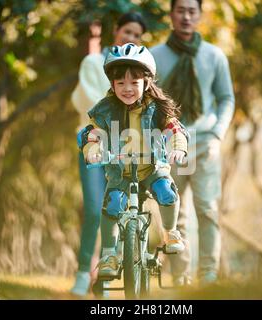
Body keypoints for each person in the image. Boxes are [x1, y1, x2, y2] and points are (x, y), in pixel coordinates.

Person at [80, 43, 188, 277]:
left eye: (134, 83)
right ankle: (109, 254)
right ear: (112, 84)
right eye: (120, 83)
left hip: (151, 167)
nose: (127, 89)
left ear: (146, 82)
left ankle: (170, 232)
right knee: (112, 203)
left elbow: (175, 129)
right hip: (120, 171)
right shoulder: (105, 109)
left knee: (167, 190)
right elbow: (92, 131)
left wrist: (177, 147)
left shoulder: (157, 108)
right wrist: (92, 148)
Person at [151, 0, 235, 286]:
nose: (186, 17)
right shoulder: (154, 56)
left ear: (199, 15)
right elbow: (150, 102)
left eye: (192, 11)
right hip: (170, 145)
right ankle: (181, 276)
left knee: (208, 209)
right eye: (180, 10)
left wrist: (217, 135)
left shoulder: (214, 56)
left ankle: (209, 275)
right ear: (172, 14)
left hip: (204, 145)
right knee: (175, 212)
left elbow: (226, 99)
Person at [70, 12, 147, 297]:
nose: (131, 38)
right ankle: (81, 274)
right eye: (127, 31)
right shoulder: (93, 63)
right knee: (93, 209)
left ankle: (103, 276)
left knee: (115, 211)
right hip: (95, 147)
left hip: (126, 150)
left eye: (137, 36)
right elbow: (96, 106)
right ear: (116, 30)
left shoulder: (139, 72)